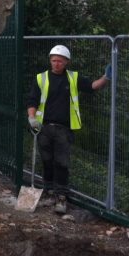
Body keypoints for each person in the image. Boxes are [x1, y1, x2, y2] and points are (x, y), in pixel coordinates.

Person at [26, 45, 110, 214]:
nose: (56, 64)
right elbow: (32, 101)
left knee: (62, 163)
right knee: (47, 161)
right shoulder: (41, 78)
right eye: (54, 60)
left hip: (63, 129)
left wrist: (107, 77)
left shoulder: (73, 78)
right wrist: (32, 118)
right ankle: (48, 191)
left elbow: (93, 86)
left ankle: (61, 197)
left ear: (66, 62)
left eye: (60, 61)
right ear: (50, 60)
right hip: (43, 128)